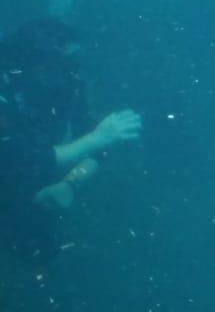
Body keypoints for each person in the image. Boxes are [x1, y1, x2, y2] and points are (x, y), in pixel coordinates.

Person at [0, 17, 141, 261]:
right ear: (35, 62)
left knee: (40, 256)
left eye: (75, 63)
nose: (73, 71)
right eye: (65, 63)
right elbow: (14, 159)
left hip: (35, 188)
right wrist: (97, 138)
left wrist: (71, 183)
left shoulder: (68, 87)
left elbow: (101, 143)